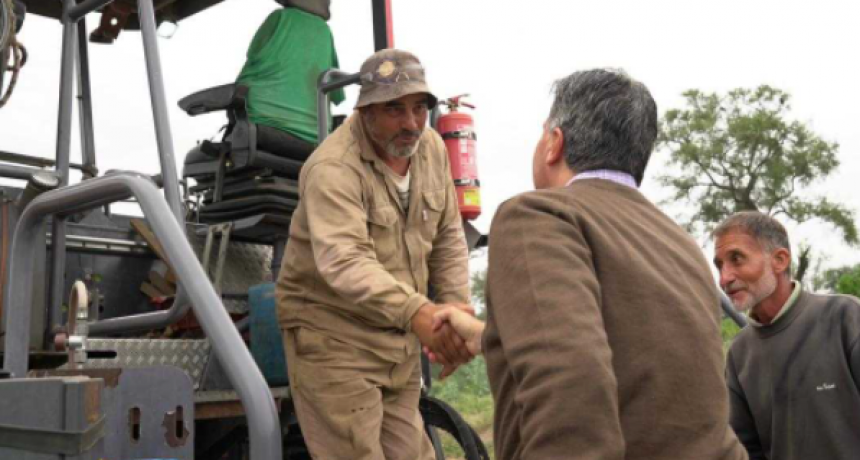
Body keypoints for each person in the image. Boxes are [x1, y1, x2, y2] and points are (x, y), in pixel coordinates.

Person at [436, 69, 747, 460]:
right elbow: (632, 352)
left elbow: (570, 381)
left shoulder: (537, 215)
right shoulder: (679, 241)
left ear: (554, 143)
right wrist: (489, 337)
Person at [276, 48, 473, 460]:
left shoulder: (431, 148)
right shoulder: (333, 168)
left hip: (397, 344)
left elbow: (448, 235)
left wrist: (454, 311)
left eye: (419, 108)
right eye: (394, 109)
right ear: (365, 112)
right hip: (335, 341)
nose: (411, 123)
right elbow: (345, 261)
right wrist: (420, 313)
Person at [714, 211, 860, 460]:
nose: (724, 278)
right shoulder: (739, 352)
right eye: (720, 266)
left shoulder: (845, 317)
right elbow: (746, 449)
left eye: (736, 259)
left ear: (779, 260)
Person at [236, 2, 344, 160]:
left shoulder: (279, 17)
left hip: (263, 125)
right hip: (315, 138)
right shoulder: (325, 32)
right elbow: (337, 93)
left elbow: (253, 54)